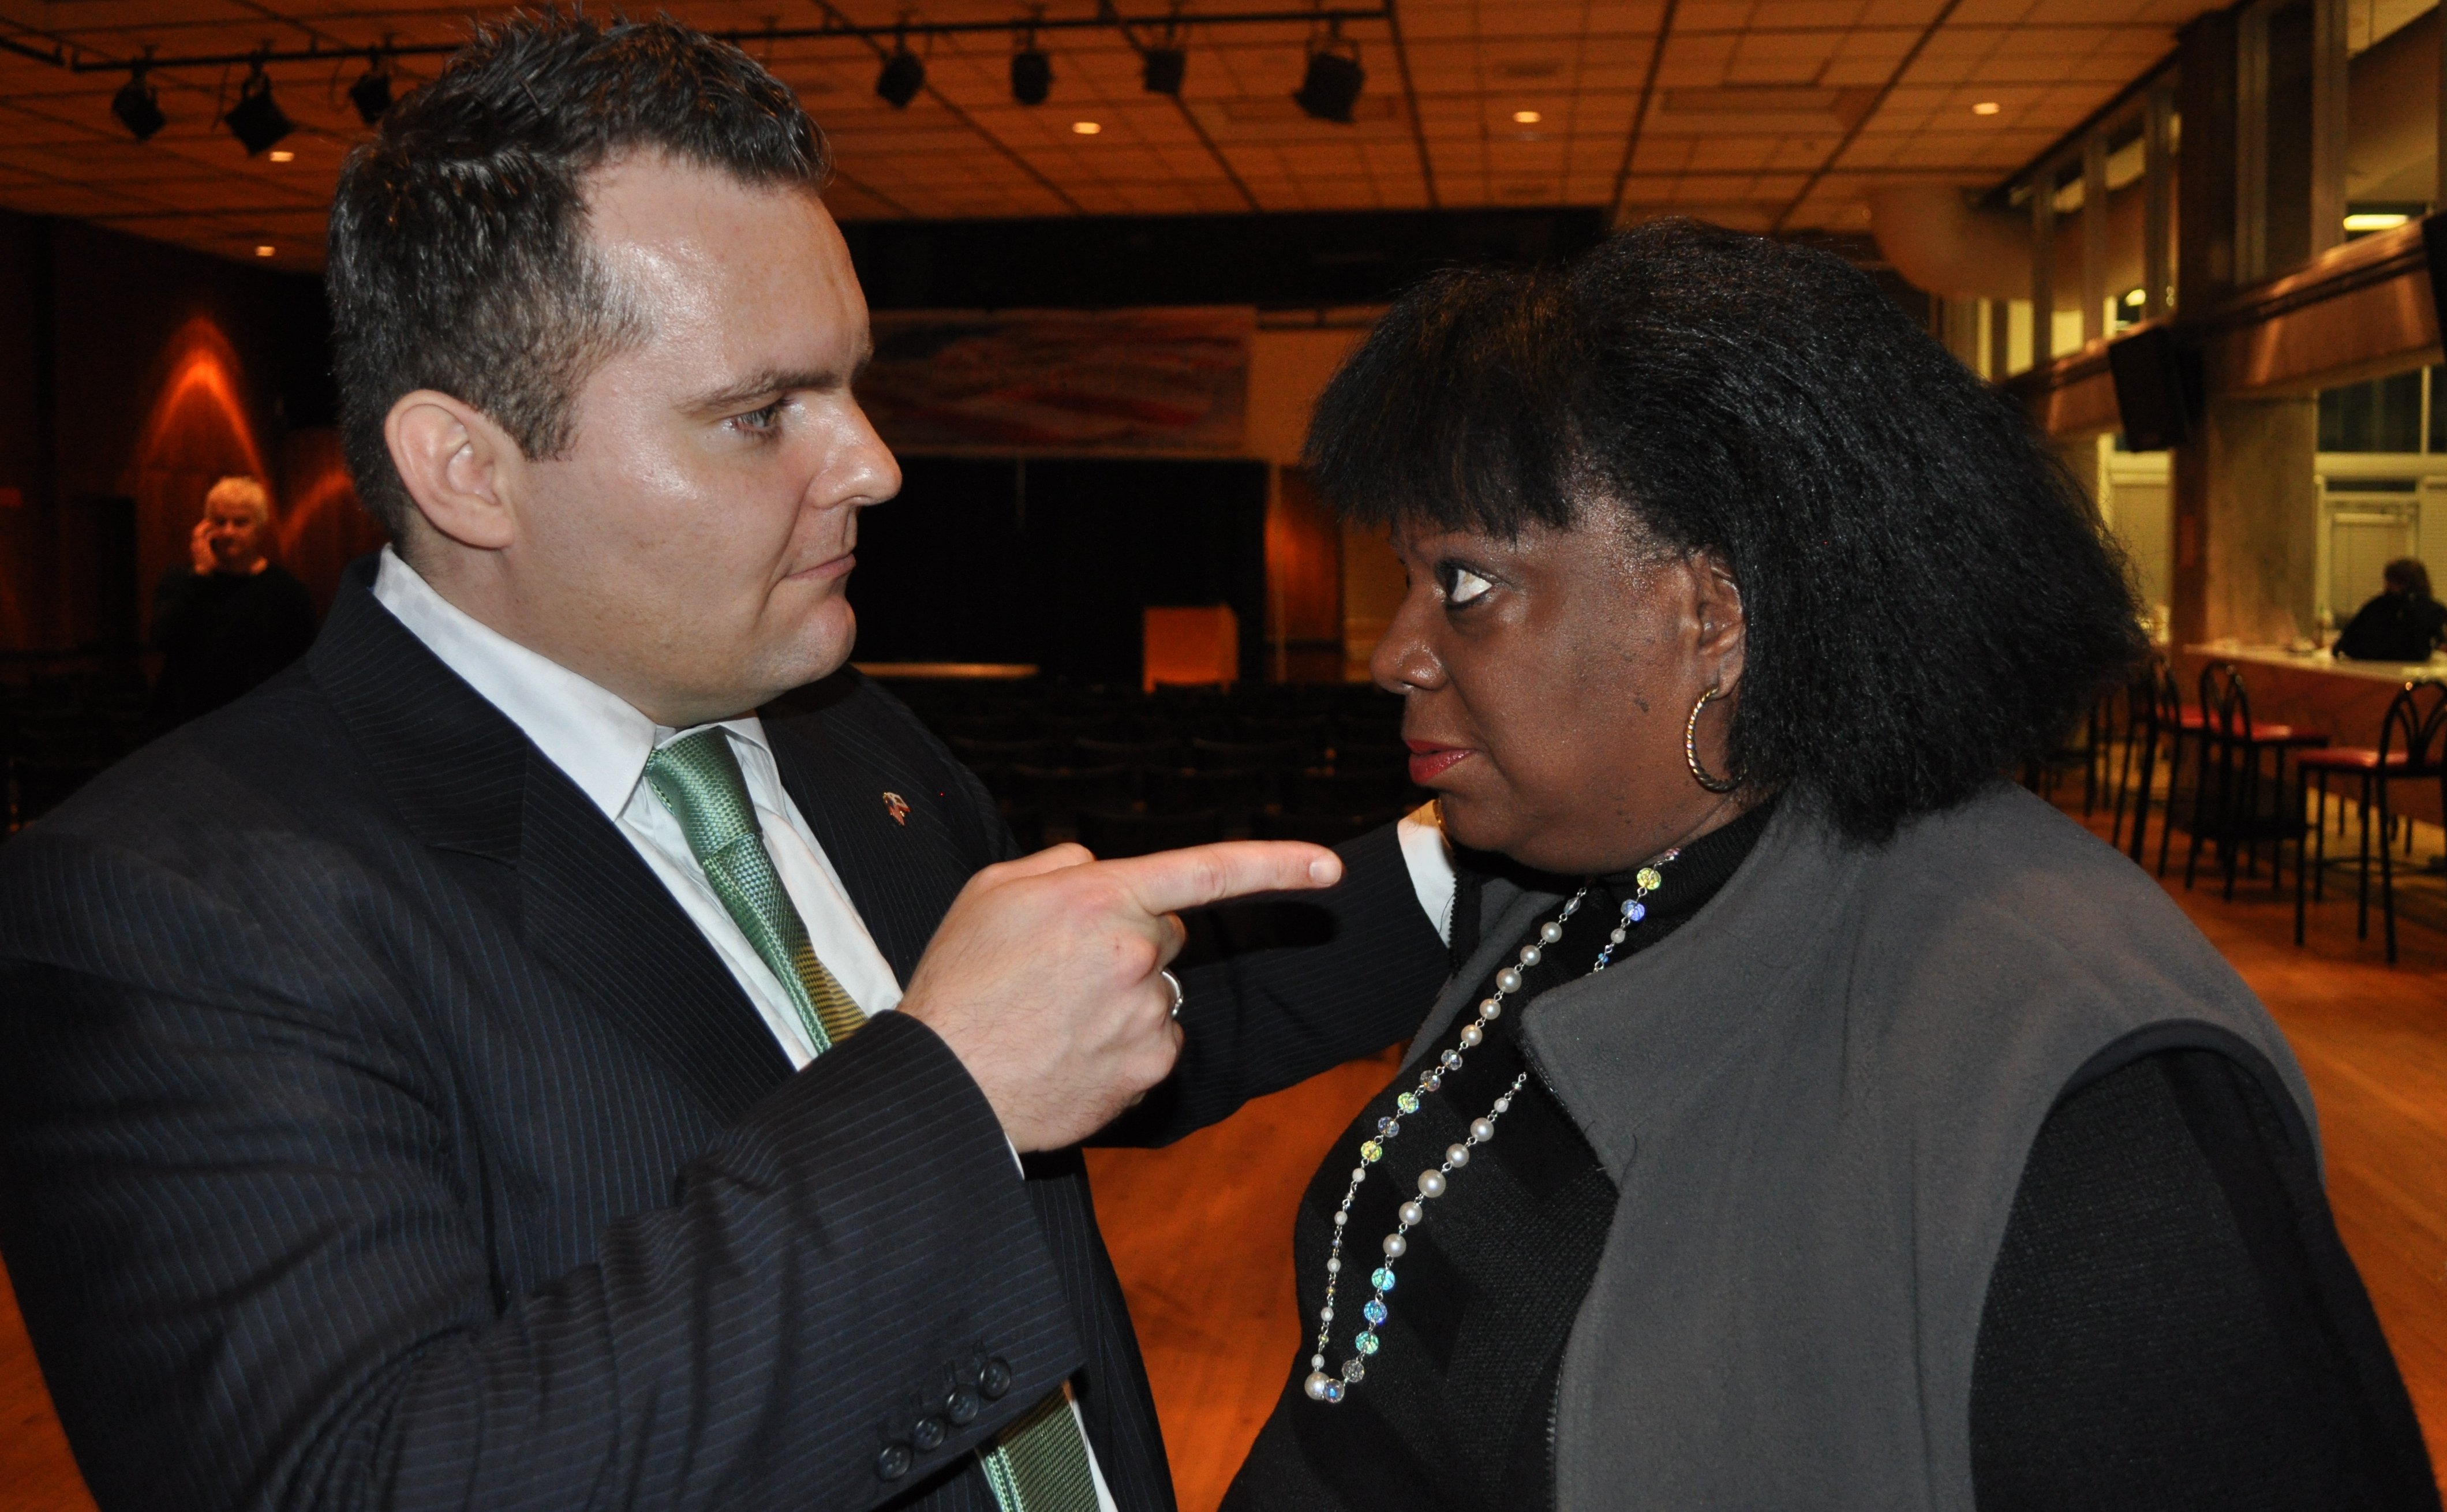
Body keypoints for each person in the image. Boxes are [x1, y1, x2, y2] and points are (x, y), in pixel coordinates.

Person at [0, 17, 1450, 1512]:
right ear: (469, 469)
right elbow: (377, 1478)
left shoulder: (836, 724)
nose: (875, 464)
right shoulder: (165, 911)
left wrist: (1478, 862)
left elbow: (1097, 1026)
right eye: (760, 414)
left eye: (850, 385)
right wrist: (947, 1097)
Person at [1189, 222, 2437, 1510]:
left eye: (1463, 583)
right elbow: (1185, 1011)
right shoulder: (1547, 864)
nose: (1394, 653)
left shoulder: (2083, 1082)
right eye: (1407, 579)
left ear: (1712, 615)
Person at [147, 474, 319, 732]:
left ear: (259, 528)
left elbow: (303, 666)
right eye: (220, 522)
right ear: (205, 527)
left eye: (240, 523)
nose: (228, 532)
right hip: (190, 725)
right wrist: (201, 576)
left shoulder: (286, 592)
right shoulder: (183, 581)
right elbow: (162, 639)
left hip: (259, 726)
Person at [2334, 556, 2447, 661]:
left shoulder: (2376, 606)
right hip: (2413, 664)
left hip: (2368, 664)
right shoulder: (2434, 610)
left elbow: (2347, 639)